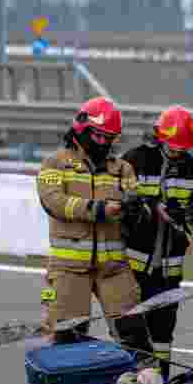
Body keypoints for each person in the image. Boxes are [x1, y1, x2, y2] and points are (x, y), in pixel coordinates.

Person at [36, 96, 152, 358]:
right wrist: (98, 209)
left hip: (114, 266)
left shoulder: (122, 169)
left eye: (109, 137)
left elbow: (138, 206)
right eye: (98, 135)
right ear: (81, 129)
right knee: (67, 339)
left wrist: (135, 212)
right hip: (68, 269)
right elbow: (53, 202)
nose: (103, 142)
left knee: (134, 335)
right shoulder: (54, 164)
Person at [121, 105, 193, 381]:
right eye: (173, 146)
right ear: (160, 137)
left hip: (168, 270)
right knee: (132, 331)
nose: (177, 151)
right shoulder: (135, 160)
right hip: (132, 266)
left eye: (182, 147)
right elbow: (122, 201)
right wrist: (153, 209)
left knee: (162, 335)